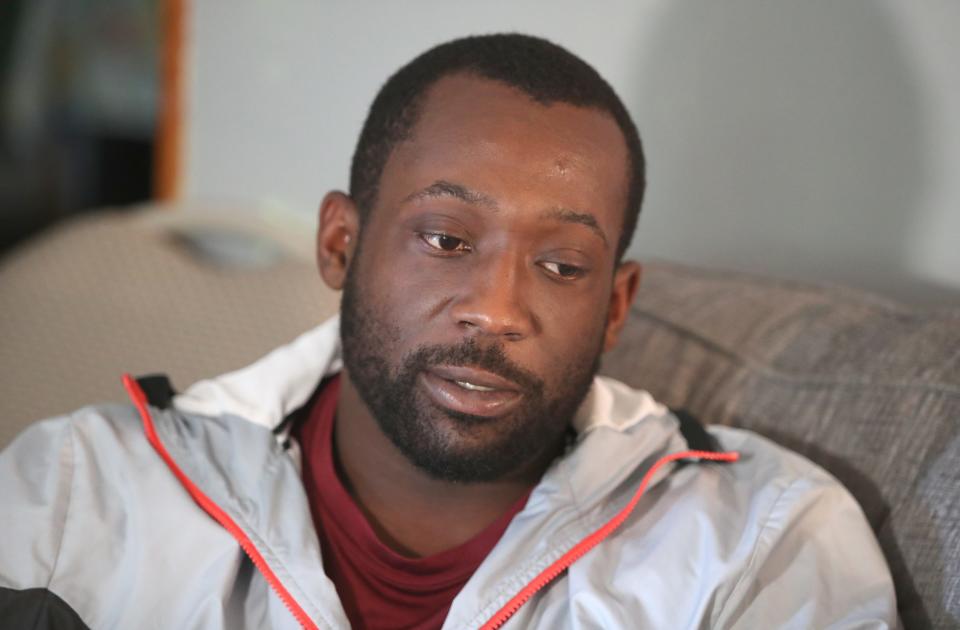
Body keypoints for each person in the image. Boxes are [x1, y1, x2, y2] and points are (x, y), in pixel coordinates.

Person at [0, 34, 897, 629]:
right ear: (340, 244)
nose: (497, 310)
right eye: (445, 239)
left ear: (617, 305)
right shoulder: (82, 493)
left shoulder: (764, 542)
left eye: (562, 265)